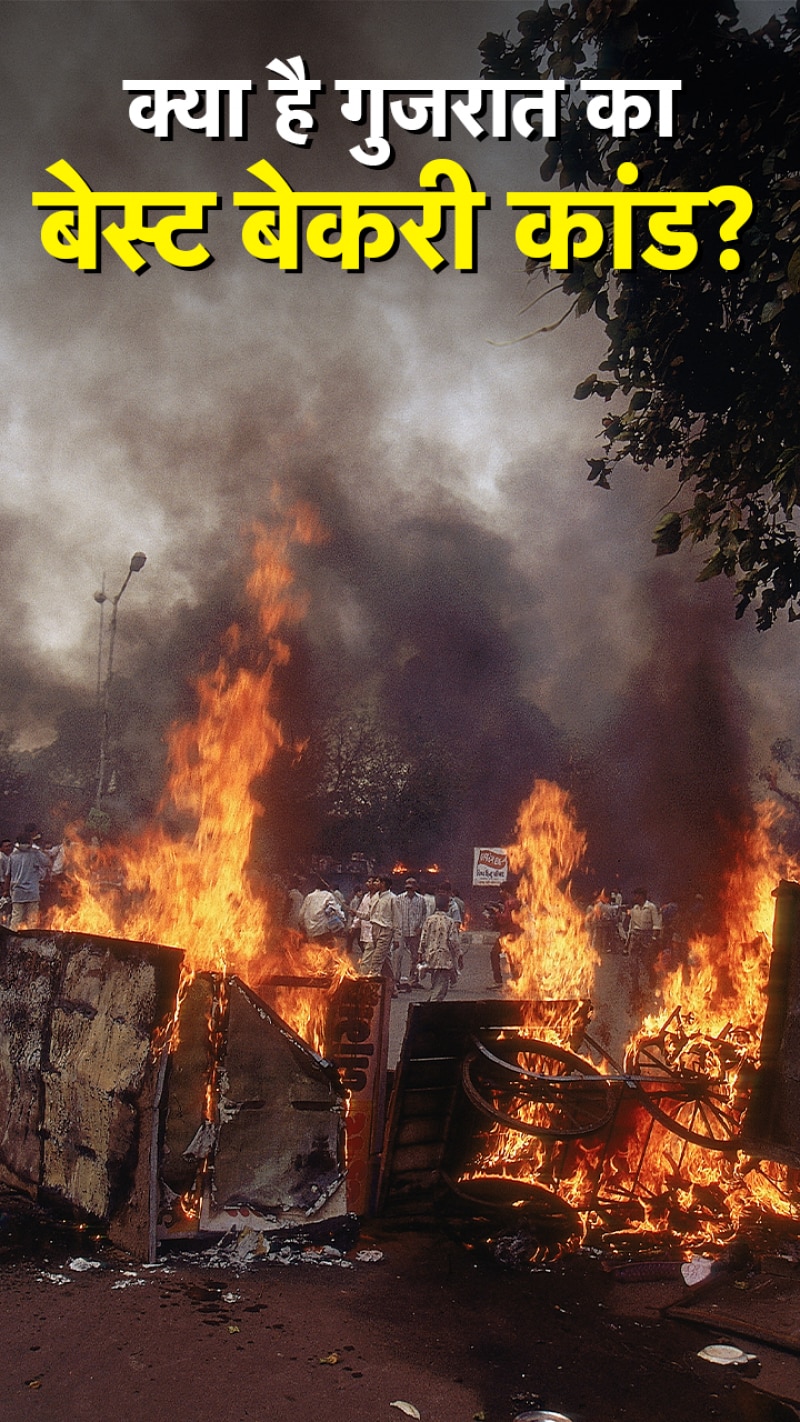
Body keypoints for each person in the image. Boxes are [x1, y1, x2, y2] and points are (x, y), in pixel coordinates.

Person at [419, 892, 463, 1001]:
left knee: (435, 986)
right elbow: (454, 942)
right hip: (444, 959)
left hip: (431, 958)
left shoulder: (429, 920)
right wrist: (458, 956)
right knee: (441, 990)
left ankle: (429, 1007)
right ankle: (430, 1012)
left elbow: (423, 939)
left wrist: (420, 954)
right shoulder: (449, 922)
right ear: (446, 905)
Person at [5, 830, 51, 930]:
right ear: (30, 842)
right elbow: (47, 862)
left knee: (16, 919)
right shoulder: (35, 854)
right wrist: (39, 850)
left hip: (17, 892)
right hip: (32, 893)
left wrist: (6, 890)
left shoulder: (13, 856)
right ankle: (31, 939)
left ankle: (12, 939)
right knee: (32, 921)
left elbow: (7, 875)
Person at [360, 874, 397, 990]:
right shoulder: (375, 897)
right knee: (385, 960)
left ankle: (371, 988)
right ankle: (392, 987)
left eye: (378, 882)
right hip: (374, 929)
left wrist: (397, 937)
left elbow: (397, 919)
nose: (376, 884)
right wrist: (356, 914)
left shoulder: (392, 898)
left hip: (386, 930)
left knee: (376, 960)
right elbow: (369, 915)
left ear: (384, 884)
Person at [393, 877, 428, 990]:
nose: (410, 887)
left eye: (412, 884)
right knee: (398, 956)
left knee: (415, 957)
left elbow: (424, 915)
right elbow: (396, 914)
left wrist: (421, 927)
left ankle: (413, 980)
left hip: (415, 932)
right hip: (402, 931)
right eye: (408, 884)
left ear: (416, 886)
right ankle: (396, 979)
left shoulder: (421, 900)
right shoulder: (399, 898)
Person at [298, 876, 347, 946]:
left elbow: (301, 913)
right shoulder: (328, 895)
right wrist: (343, 919)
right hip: (323, 930)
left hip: (310, 930)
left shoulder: (309, 896)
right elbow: (337, 910)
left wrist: (302, 925)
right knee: (330, 948)